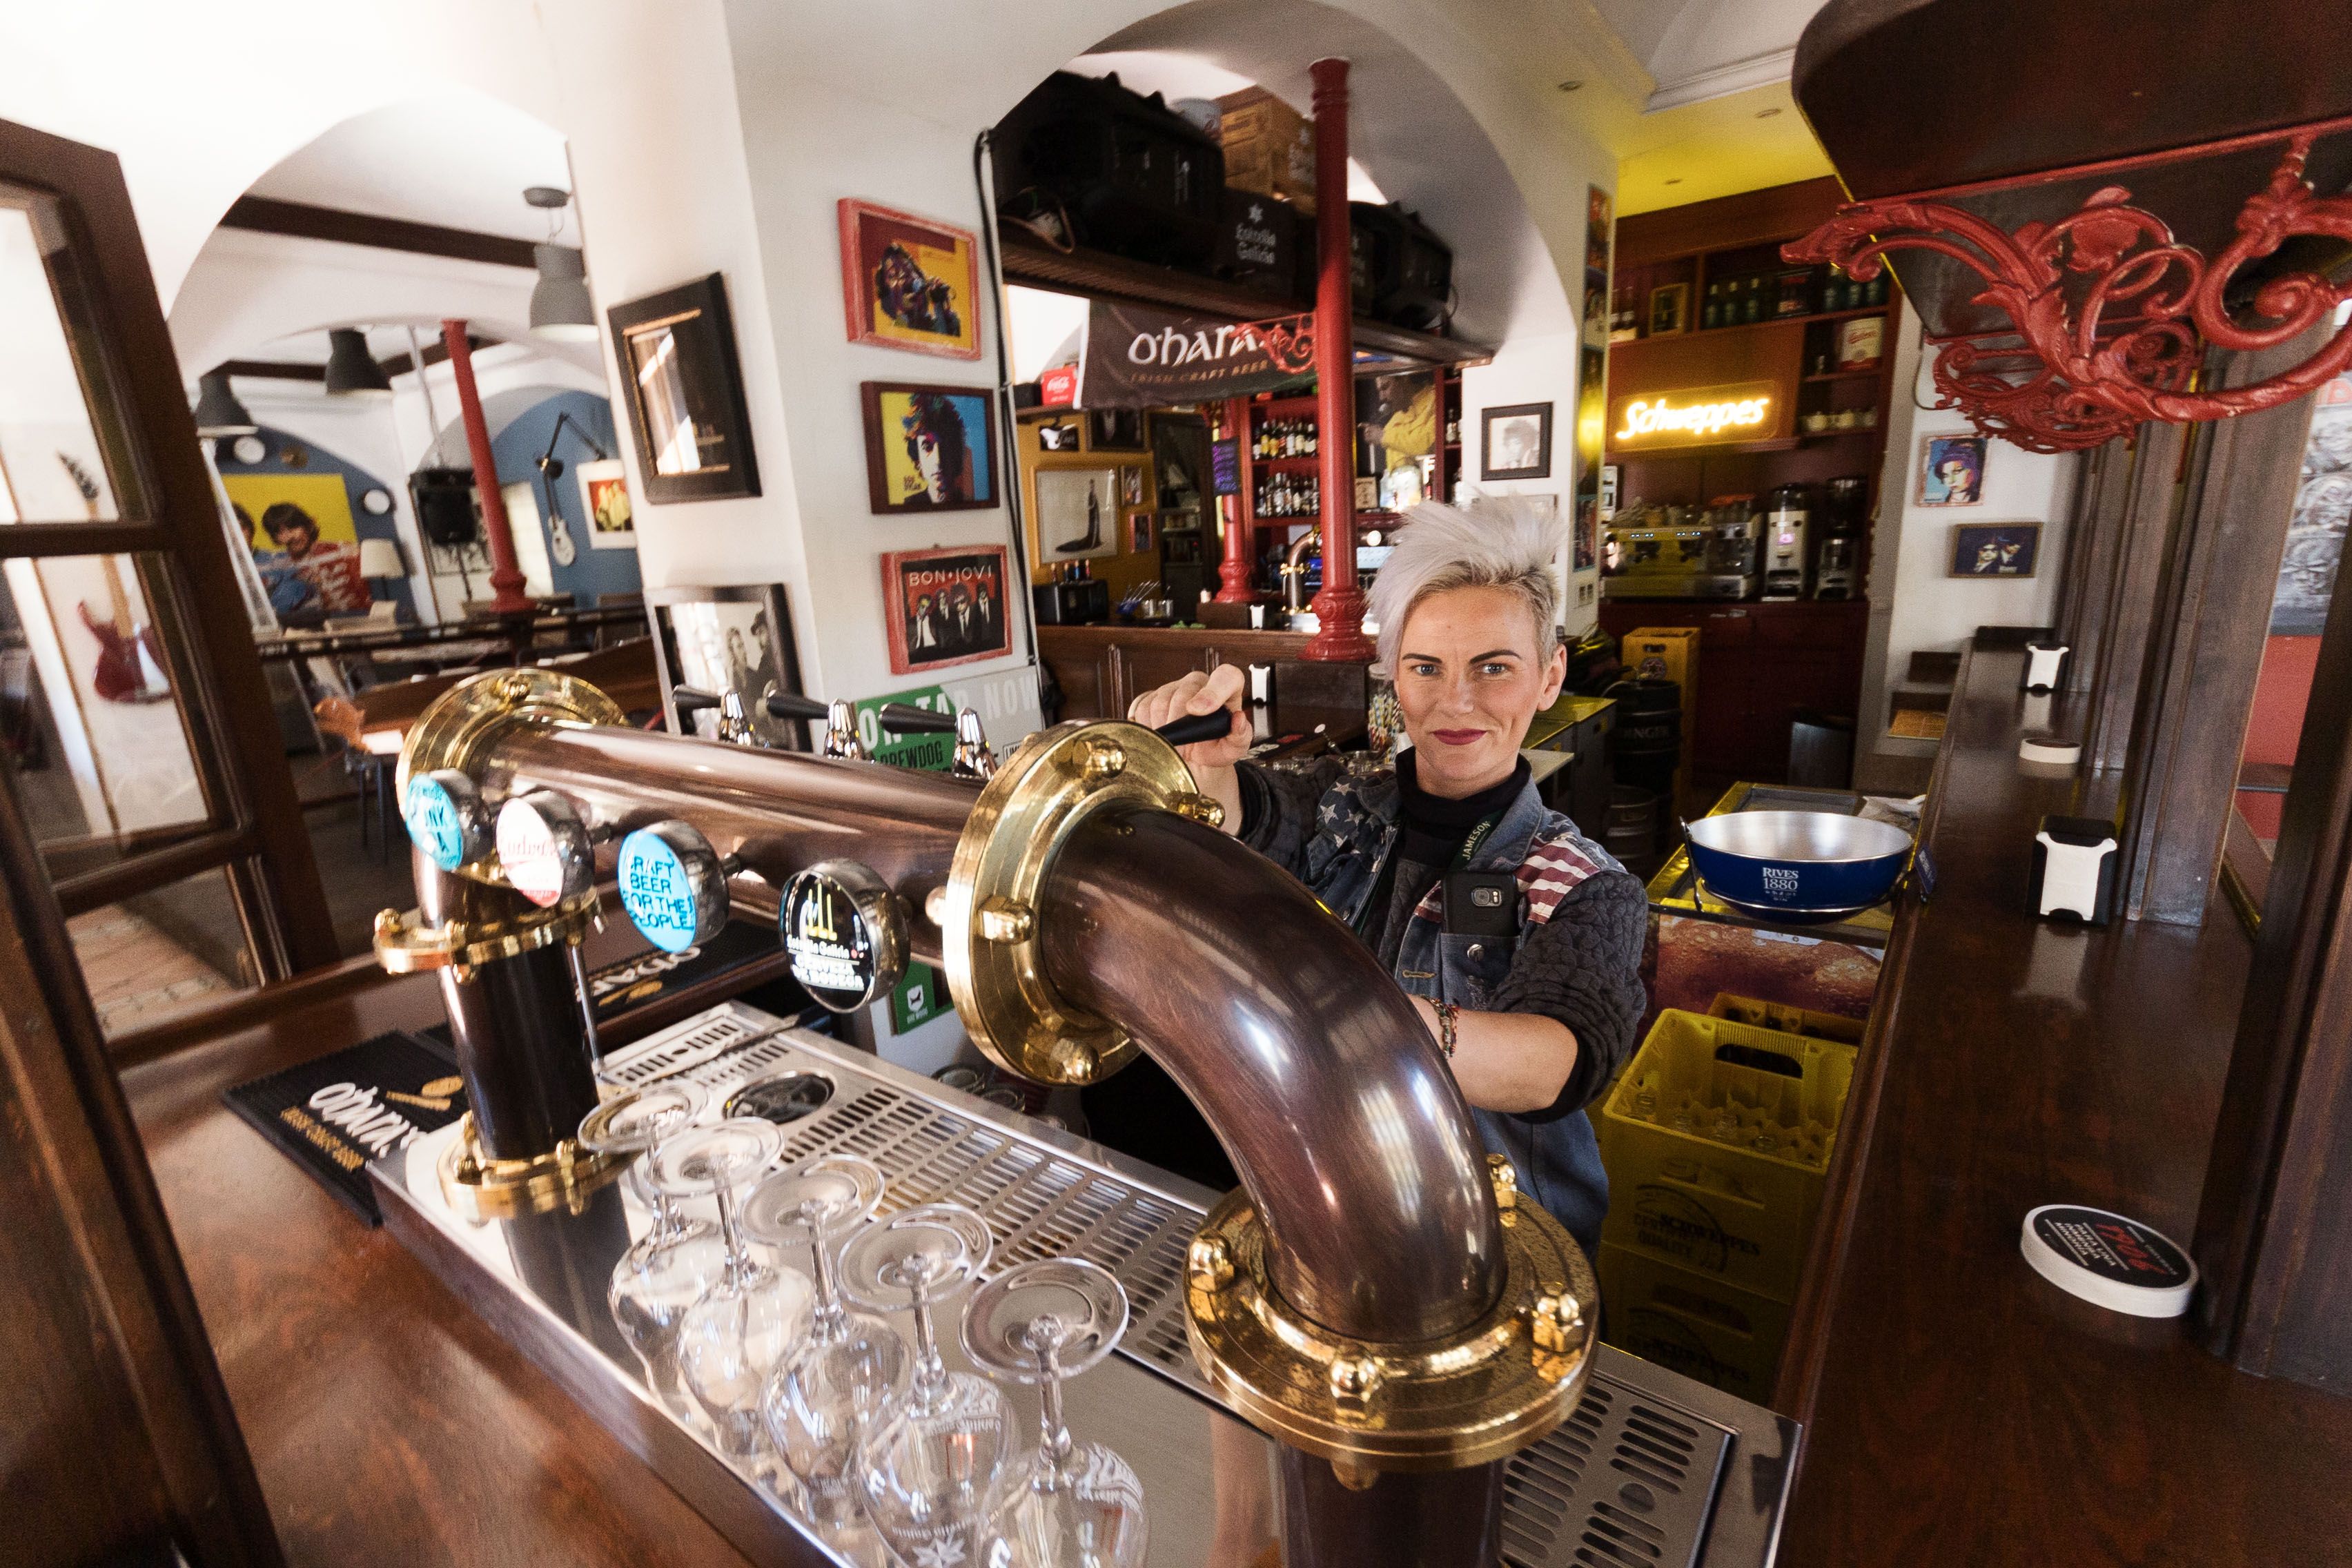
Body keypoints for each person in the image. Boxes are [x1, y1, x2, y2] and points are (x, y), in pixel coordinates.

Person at [1098, 498, 1647, 1255]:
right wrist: (1203, 765)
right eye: (1427, 667)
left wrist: (1369, 1021)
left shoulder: (1581, 881)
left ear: (1549, 675)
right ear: (1393, 673)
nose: (1456, 701)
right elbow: (1246, 819)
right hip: (1336, 1203)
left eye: (1495, 667)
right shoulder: (1343, 802)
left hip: (1500, 1241)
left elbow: (1560, 1061)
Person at [900, 393, 973, 505]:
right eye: (927, 447)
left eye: (944, 447)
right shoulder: (909, 504)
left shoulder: (969, 502)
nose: (937, 461)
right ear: (918, 460)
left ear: (956, 453)